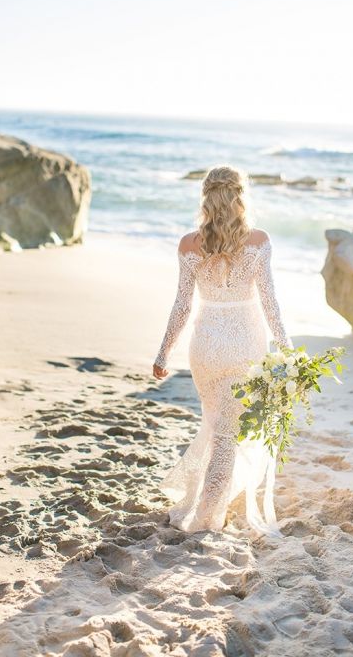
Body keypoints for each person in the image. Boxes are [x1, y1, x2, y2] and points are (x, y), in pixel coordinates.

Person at [152, 164, 293, 536]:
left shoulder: (188, 244)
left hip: (205, 346)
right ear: (240, 196)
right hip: (245, 344)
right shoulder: (259, 241)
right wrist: (286, 348)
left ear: (206, 197)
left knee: (216, 426)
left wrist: (163, 353)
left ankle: (205, 503)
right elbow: (270, 302)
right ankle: (206, 518)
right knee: (227, 434)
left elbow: (182, 305)